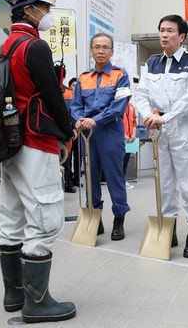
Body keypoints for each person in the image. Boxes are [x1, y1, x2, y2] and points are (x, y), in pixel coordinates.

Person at [0, 0, 75, 322]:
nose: (47, 12)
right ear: (28, 9)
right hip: (35, 140)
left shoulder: (6, 45)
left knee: (12, 218)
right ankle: (37, 303)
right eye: (44, 5)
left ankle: (14, 295)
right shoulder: (35, 46)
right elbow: (54, 97)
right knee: (44, 221)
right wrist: (68, 130)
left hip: (10, 145)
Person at [133, 14, 188, 258]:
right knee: (164, 184)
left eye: (170, 31)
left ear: (182, 36)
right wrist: (147, 115)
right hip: (159, 130)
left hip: (185, 127)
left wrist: (165, 117)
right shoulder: (152, 63)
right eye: (161, 30)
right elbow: (141, 94)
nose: (164, 34)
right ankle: (169, 229)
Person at [71, 32, 131, 241]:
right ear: (91, 51)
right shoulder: (83, 78)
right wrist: (79, 119)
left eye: (105, 47)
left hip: (110, 132)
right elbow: (76, 105)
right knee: (90, 176)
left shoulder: (120, 75)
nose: (101, 51)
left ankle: (119, 218)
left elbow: (118, 106)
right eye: (97, 47)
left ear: (112, 51)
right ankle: (95, 217)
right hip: (88, 134)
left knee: (114, 177)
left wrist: (95, 119)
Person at [62, 77, 78, 193]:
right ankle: (68, 183)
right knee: (67, 158)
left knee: (71, 158)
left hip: (73, 130)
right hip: (69, 130)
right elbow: (70, 114)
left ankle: (71, 181)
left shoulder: (71, 95)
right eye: (73, 85)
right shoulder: (68, 95)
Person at [123, 101, 137, 189]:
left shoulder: (131, 106)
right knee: (120, 161)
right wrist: (124, 135)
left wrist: (133, 135)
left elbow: (134, 122)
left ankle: (123, 180)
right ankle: (120, 182)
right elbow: (117, 122)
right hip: (121, 138)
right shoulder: (119, 106)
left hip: (130, 139)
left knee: (126, 160)